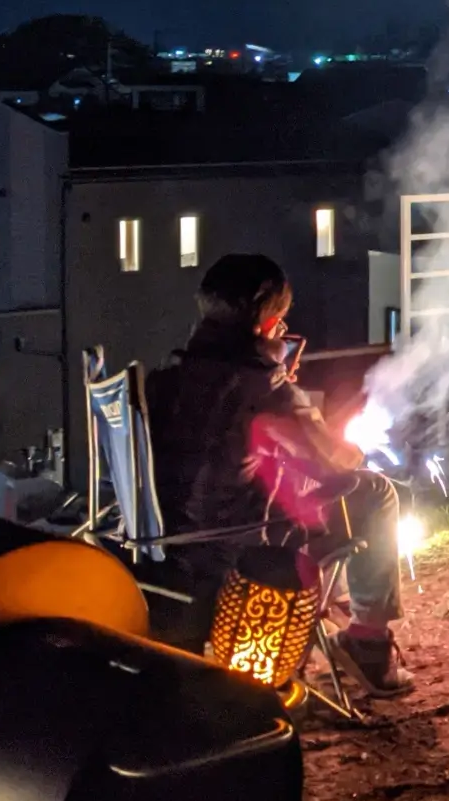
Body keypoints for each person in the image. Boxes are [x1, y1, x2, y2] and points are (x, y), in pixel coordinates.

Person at [148, 253, 413, 694]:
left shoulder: (169, 376)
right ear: (267, 323)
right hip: (245, 548)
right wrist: (345, 439)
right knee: (373, 492)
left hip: (169, 542)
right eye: (282, 319)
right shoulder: (263, 385)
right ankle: (368, 645)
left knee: (301, 489)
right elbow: (334, 461)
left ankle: (341, 612)